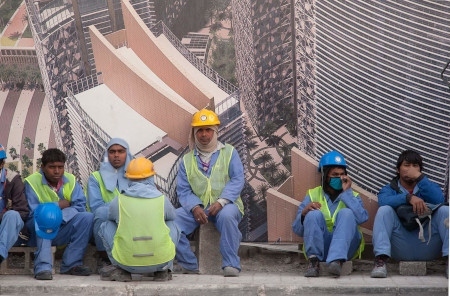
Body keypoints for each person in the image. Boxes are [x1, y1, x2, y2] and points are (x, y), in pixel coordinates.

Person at [174, 109, 245, 277]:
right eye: (200, 130)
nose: (204, 134)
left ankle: (231, 264)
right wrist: (194, 207)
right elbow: (183, 189)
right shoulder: (187, 160)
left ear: (215, 131)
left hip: (227, 205)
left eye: (208, 130)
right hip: (199, 209)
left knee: (227, 217)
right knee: (172, 222)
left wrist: (222, 201)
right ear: (194, 133)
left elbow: (237, 179)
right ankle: (189, 264)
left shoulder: (229, 152)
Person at [98, 157, 180, 282]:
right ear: (151, 177)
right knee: (172, 224)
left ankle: (119, 269)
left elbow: (111, 217)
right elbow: (171, 216)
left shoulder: (119, 200)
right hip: (160, 261)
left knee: (106, 225)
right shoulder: (162, 199)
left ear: (129, 178)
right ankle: (164, 270)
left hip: (127, 263)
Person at [371, 149, 449, 278]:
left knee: (446, 211)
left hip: (427, 243)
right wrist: (408, 198)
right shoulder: (389, 189)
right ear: (398, 170)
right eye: (406, 165)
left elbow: (439, 199)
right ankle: (380, 262)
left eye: (415, 166)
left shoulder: (427, 186)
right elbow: (383, 201)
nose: (411, 169)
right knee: (384, 210)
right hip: (401, 245)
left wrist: (420, 178)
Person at [292, 150, 368, 277]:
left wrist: (347, 194)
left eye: (342, 175)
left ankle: (336, 261)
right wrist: (304, 214)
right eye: (334, 175)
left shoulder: (353, 195)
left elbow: (362, 218)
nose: (339, 178)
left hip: (346, 248)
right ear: (325, 175)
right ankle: (314, 262)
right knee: (313, 214)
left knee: (347, 213)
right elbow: (297, 230)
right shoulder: (312, 194)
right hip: (322, 245)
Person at [25, 148, 93, 280]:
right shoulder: (32, 182)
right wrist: (57, 206)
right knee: (45, 218)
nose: (57, 171)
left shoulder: (71, 180)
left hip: (62, 227)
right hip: (37, 231)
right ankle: (43, 268)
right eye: (52, 167)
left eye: (60, 167)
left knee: (87, 217)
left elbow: (80, 206)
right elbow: (33, 213)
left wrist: (60, 216)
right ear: (43, 167)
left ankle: (71, 264)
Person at [86, 138, 132, 267]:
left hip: (132, 218)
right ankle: (104, 257)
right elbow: (96, 207)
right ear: (107, 155)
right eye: (112, 152)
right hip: (109, 220)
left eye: (120, 151)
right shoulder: (96, 177)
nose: (116, 155)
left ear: (127, 154)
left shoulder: (136, 175)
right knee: (101, 213)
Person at [0, 144, 29, 265]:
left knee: (12, 215)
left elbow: (22, 212)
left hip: (7, 230)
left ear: (1, 164)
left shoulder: (13, 179)